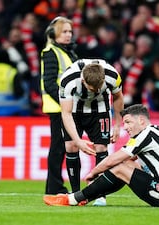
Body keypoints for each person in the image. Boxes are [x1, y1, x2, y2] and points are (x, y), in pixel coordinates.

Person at [43, 104, 159, 207]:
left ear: (141, 120)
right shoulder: (156, 131)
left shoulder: (145, 135)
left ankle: (74, 199)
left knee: (120, 166)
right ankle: (86, 197)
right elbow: (129, 160)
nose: (126, 128)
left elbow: (113, 160)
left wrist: (93, 173)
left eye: (128, 122)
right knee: (126, 166)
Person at [57, 59, 124, 206]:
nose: (96, 90)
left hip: (100, 109)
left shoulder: (112, 75)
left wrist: (118, 125)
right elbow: (66, 113)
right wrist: (78, 141)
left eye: (99, 87)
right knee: (71, 147)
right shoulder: (67, 80)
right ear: (82, 80)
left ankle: (100, 194)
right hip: (74, 110)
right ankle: (76, 194)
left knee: (101, 148)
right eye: (91, 87)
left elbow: (118, 97)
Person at [40, 16, 78, 195]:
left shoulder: (66, 52)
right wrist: (65, 105)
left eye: (70, 31)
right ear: (53, 34)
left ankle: (53, 187)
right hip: (59, 108)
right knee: (58, 148)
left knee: (60, 147)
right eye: (64, 31)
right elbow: (49, 83)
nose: (68, 35)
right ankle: (55, 187)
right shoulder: (51, 52)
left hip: (64, 108)